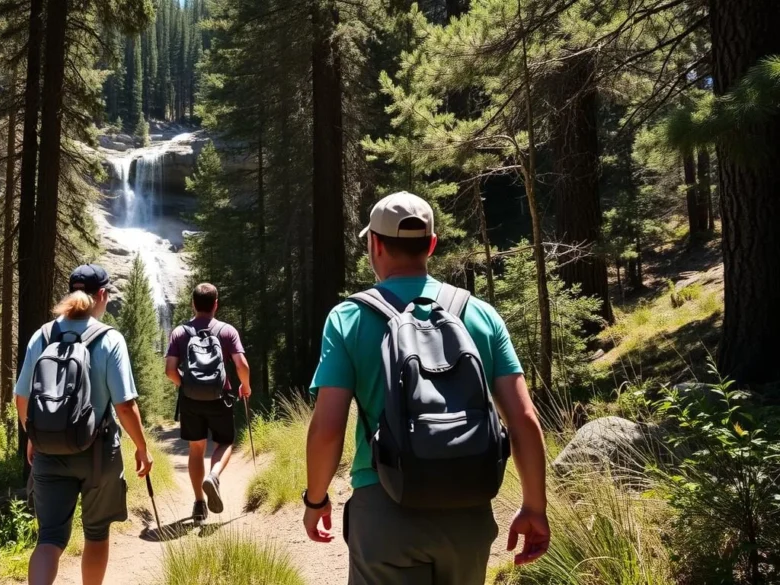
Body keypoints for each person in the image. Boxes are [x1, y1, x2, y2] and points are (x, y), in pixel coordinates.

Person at [303, 192, 550, 584]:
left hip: (384, 507)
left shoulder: (347, 318)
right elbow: (522, 419)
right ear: (431, 245)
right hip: (467, 510)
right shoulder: (480, 314)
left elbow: (328, 427)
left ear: (375, 244)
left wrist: (315, 499)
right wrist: (534, 507)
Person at [15, 264, 154, 585]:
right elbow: (125, 405)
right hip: (98, 453)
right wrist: (142, 448)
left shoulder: (43, 335)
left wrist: (33, 436)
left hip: (49, 451)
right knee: (95, 533)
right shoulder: (110, 339)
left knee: (49, 538)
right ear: (102, 295)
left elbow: (21, 397)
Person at [165, 283, 252, 523]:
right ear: (216, 304)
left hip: (191, 400)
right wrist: (245, 386)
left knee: (196, 449)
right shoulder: (226, 331)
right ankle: (213, 476)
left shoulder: (180, 333)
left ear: (193, 304)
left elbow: (170, 370)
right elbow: (241, 365)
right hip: (219, 397)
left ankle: (199, 504)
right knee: (224, 442)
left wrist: (186, 385)